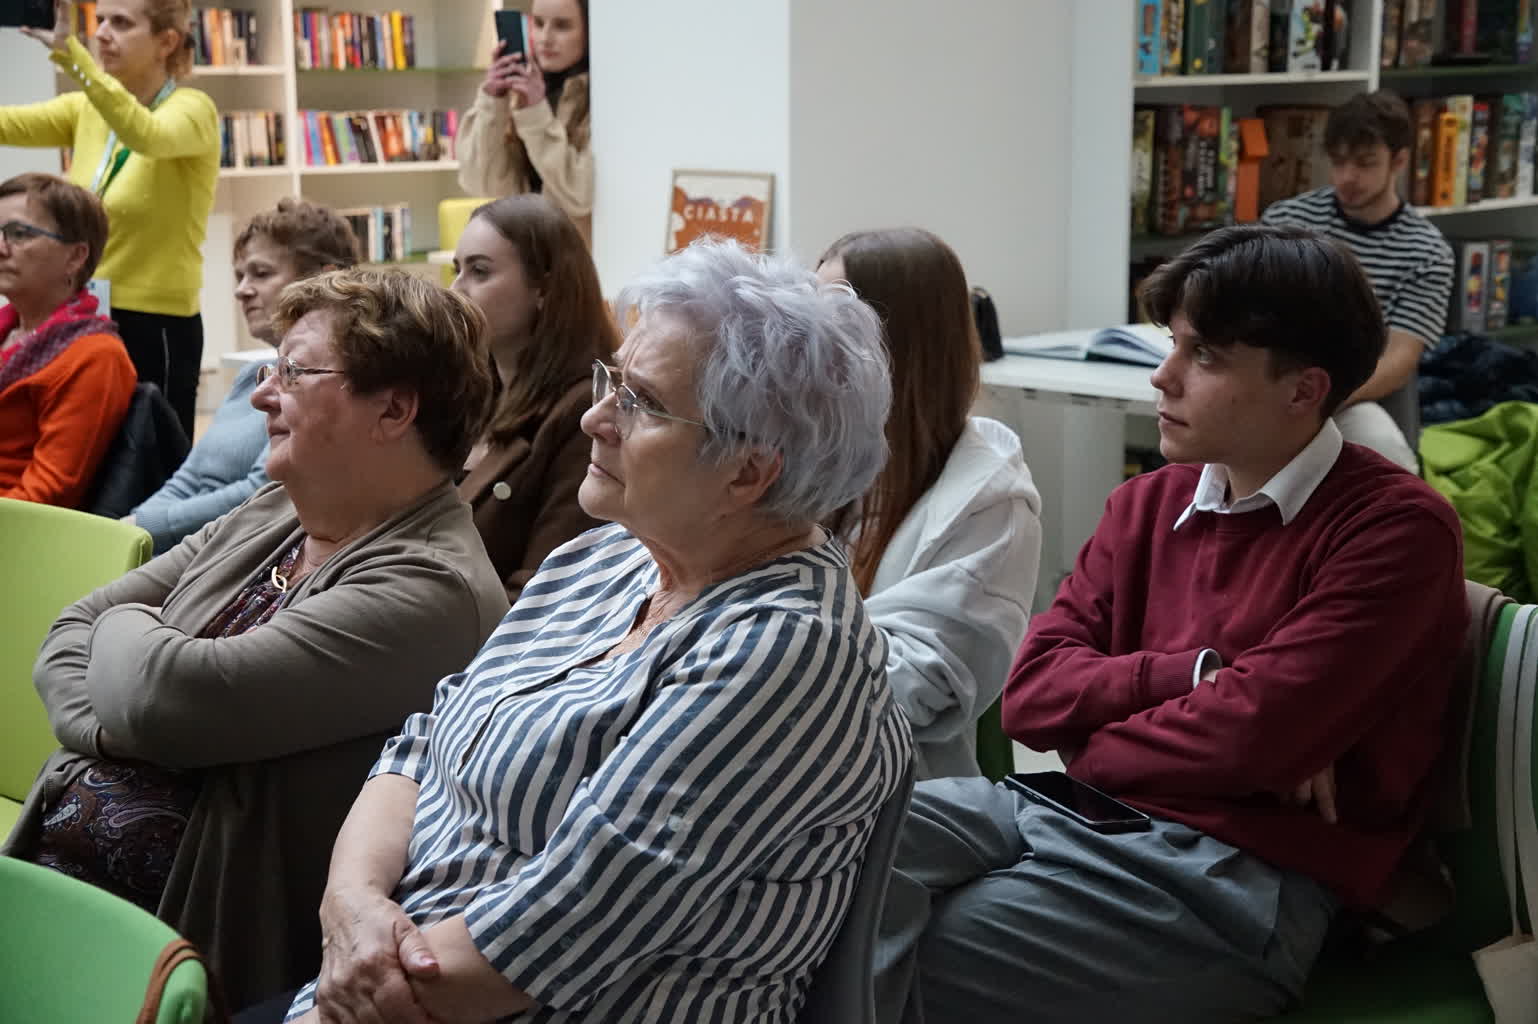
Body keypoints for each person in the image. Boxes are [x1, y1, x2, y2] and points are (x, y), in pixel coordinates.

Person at [276, 240, 911, 1024]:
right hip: (375, 977)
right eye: (613, 380)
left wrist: (341, 986)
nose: (593, 417)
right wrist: (351, 905)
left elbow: (538, 944)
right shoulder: (608, 557)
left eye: (640, 403)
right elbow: (422, 745)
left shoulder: (788, 655)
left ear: (748, 472)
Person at [875, 225, 1468, 1023]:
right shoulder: (1149, 502)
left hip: (1236, 877)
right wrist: (1192, 677)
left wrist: (1098, 744)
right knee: (811, 847)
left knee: (906, 956)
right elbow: (1031, 697)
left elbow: (1251, 737)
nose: (1163, 376)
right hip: (1066, 810)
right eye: (1173, 345)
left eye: (1206, 357)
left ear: (1304, 390)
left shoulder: (1395, 529)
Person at [2, 267, 510, 1010]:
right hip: (61, 896)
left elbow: (167, 694)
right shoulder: (276, 511)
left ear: (395, 409)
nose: (261, 395)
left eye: (294, 372)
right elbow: (69, 631)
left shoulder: (435, 588)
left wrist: (128, 654)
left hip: (178, 951)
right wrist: (121, 728)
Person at [816, 227, 1041, 780]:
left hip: (892, 789)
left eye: (835, 317)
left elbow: (915, 685)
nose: (805, 341)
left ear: (902, 343)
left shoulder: (988, 502)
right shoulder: (813, 451)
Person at [1, 0, 220, 440]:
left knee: (153, 460)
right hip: (87, 310)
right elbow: (6, 124)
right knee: (93, 454)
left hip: (156, 321)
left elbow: (146, 134)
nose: (101, 33)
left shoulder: (194, 110)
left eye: (120, 23)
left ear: (166, 42)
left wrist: (73, 58)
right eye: (99, 20)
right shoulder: (89, 108)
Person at [127, 198, 362, 553]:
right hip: (175, 547)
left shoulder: (324, 383)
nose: (241, 289)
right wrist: (129, 527)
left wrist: (139, 528)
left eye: (261, 273)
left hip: (228, 554)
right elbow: (187, 478)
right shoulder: (251, 375)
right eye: (240, 276)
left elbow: (263, 492)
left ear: (324, 278)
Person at [1261, 90, 1454, 471]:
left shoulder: (1427, 251)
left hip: (1352, 395)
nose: (1347, 177)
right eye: (1338, 162)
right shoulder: (1287, 222)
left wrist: (1318, 399)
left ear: (1399, 160)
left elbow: (1398, 359)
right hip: (1269, 381)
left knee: (1384, 454)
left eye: (1365, 163)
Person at [450, 194, 618, 602]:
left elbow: (546, 591)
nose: (455, 289)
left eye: (479, 271)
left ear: (543, 288)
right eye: (457, 270)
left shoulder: (587, 412)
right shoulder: (469, 392)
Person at [0, 172, 134, 506]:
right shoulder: (7, 328)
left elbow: (47, 495)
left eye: (18, 234)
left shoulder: (95, 356)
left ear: (75, 257)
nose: (1, 248)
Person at [458, 0, 593, 245]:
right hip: (523, 251)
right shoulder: (521, 90)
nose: (545, 38)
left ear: (589, 29)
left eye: (562, 26)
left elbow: (579, 196)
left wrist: (535, 113)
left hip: (576, 256)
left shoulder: (600, 100)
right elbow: (481, 183)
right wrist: (493, 101)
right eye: (538, 23)